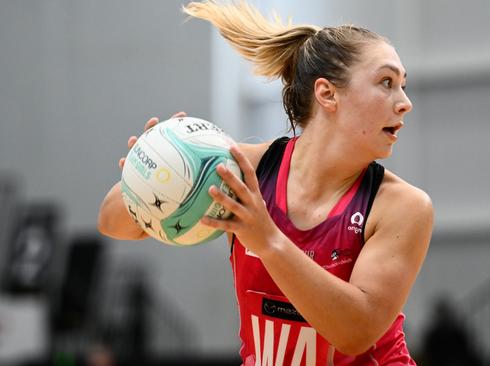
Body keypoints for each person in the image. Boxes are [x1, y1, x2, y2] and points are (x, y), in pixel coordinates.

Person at [97, 1, 434, 365]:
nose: (405, 103)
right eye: (387, 82)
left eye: (403, 85)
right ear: (327, 94)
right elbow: (112, 222)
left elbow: (355, 332)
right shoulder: (247, 169)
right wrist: (150, 175)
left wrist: (269, 240)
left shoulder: (401, 206)